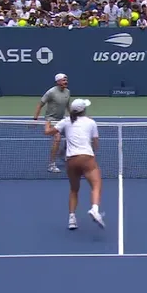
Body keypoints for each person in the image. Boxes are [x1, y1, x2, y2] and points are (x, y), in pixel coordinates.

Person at [45, 99, 105, 230]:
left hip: (71, 160)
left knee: (73, 190)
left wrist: (47, 122)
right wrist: (93, 149)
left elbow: (48, 132)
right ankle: (95, 209)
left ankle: (71, 219)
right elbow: (96, 143)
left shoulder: (65, 121)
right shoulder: (91, 122)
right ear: (84, 110)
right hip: (87, 158)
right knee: (96, 185)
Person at [34, 73, 70, 173]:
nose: (66, 82)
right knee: (57, 138)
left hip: (62, 119)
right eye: (63, 80)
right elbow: (40, 105)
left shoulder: (67, 92)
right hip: (51, 120)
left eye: (66, 80)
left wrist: (73, 118)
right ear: (58, 82)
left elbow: (67, 106)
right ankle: (51, 164)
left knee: (72, 134)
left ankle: (63, 153)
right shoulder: (51, 92)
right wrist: (35, 119)